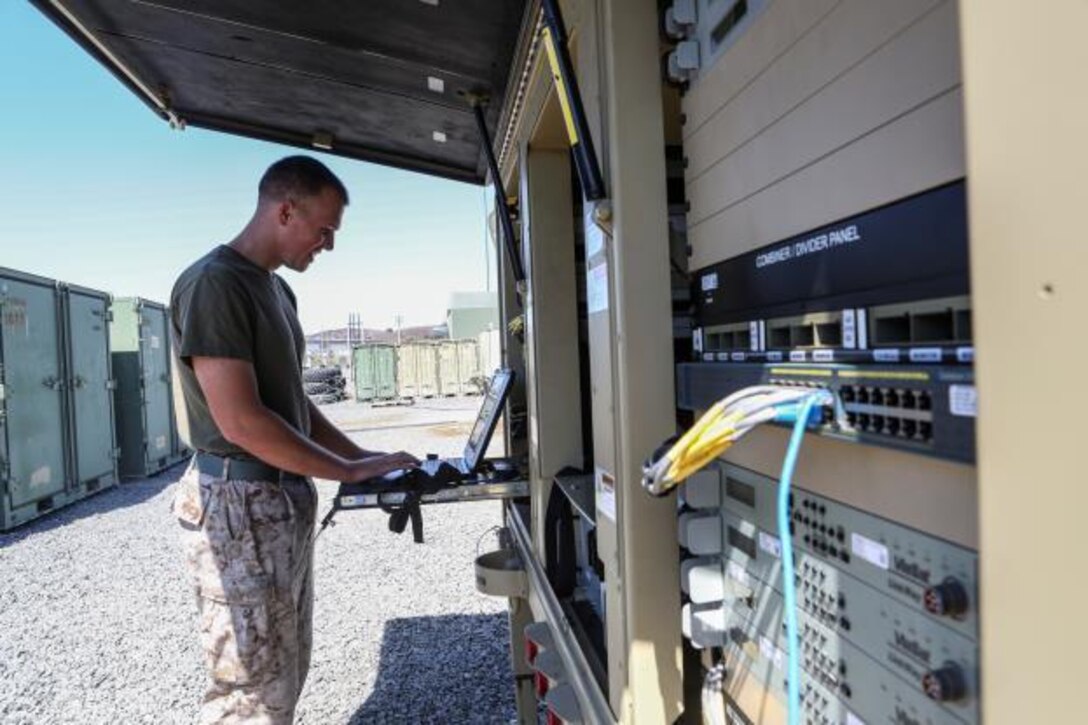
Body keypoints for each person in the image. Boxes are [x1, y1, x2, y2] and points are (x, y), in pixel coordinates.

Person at [169, 155, 418, 723]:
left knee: (282, 674)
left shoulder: (276, 292)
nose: (327, 245)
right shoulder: (216, 284)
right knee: (249, 694)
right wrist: (347, 473)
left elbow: (292, 404)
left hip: (276, 504)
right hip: (237, 507)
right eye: (323, 230)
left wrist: (362, 458)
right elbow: (242, 421)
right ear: (286, 211)